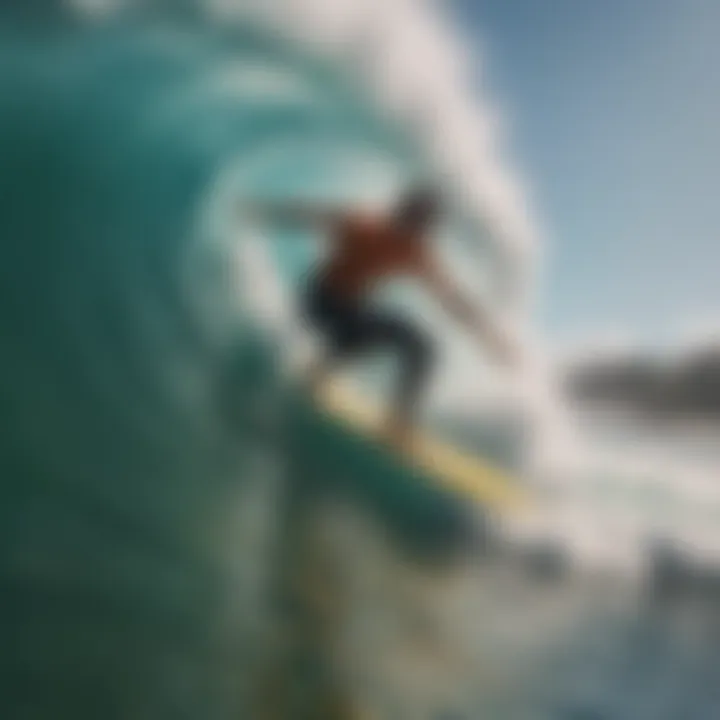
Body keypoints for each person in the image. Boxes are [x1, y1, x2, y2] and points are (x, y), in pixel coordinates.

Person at [242, 187, 518, 450]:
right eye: (416, 217)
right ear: (403, 211)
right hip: (318, 301)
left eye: (424, 222)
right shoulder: (364, 223)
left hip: (351, 310)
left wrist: (490, 339)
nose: (419, 227)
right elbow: (309, 215)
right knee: (363, 330)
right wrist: (262, 212)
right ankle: (318, 376)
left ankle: (395, 422)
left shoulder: (414, 251)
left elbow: (453, 300)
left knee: (421, 346)